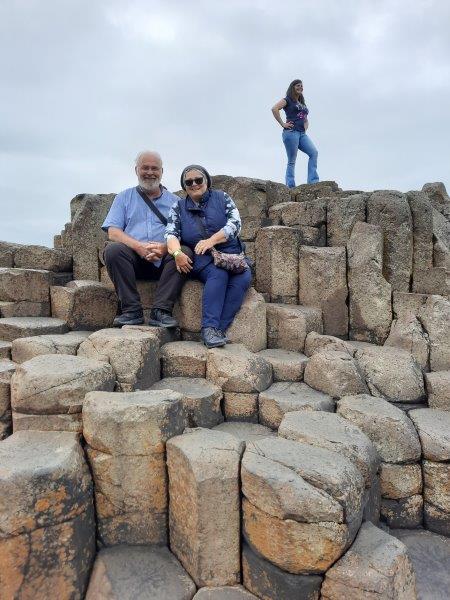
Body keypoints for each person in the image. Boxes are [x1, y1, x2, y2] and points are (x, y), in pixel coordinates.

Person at [102, 151, 193, 327]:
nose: (150, 172)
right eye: (145, 168)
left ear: (162, 172)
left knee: (185, 251)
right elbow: (113, 232)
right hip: (134, 261)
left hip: (165, 262)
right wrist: (138, 247)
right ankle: (131, 311)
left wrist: (165, 249)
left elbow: (185, 236)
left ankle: (161, 311)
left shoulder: (176, 202)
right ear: (137, 170)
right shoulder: (123, 198)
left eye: (154, 168)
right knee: (112, 250)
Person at [165, 165, 252, 348]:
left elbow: (235, 224)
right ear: (184, 186)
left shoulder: (223, 198)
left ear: (207, 181)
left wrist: (212, 240)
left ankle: (218, 329)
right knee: (218, 274)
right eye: (189, 182)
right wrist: (177, 253)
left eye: (199, 180)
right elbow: (171, 234)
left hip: (229, 253)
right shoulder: (178, 207)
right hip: (201, 257)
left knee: (243, 277)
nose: (194, 184)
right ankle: (209, 328)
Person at [271, 79, 319, 188]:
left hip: (302, 134)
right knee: (292, 160)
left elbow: (305, 119)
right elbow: (274, 109)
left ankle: (313, 182)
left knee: (314, 153)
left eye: (301, 86)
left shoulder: (301, 103)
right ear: (292, 87)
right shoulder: (288, 100)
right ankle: (290, 185)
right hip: (291, 133)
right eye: (298, 85)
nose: (300, 87)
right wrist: (283, 124)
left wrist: (305, 127)